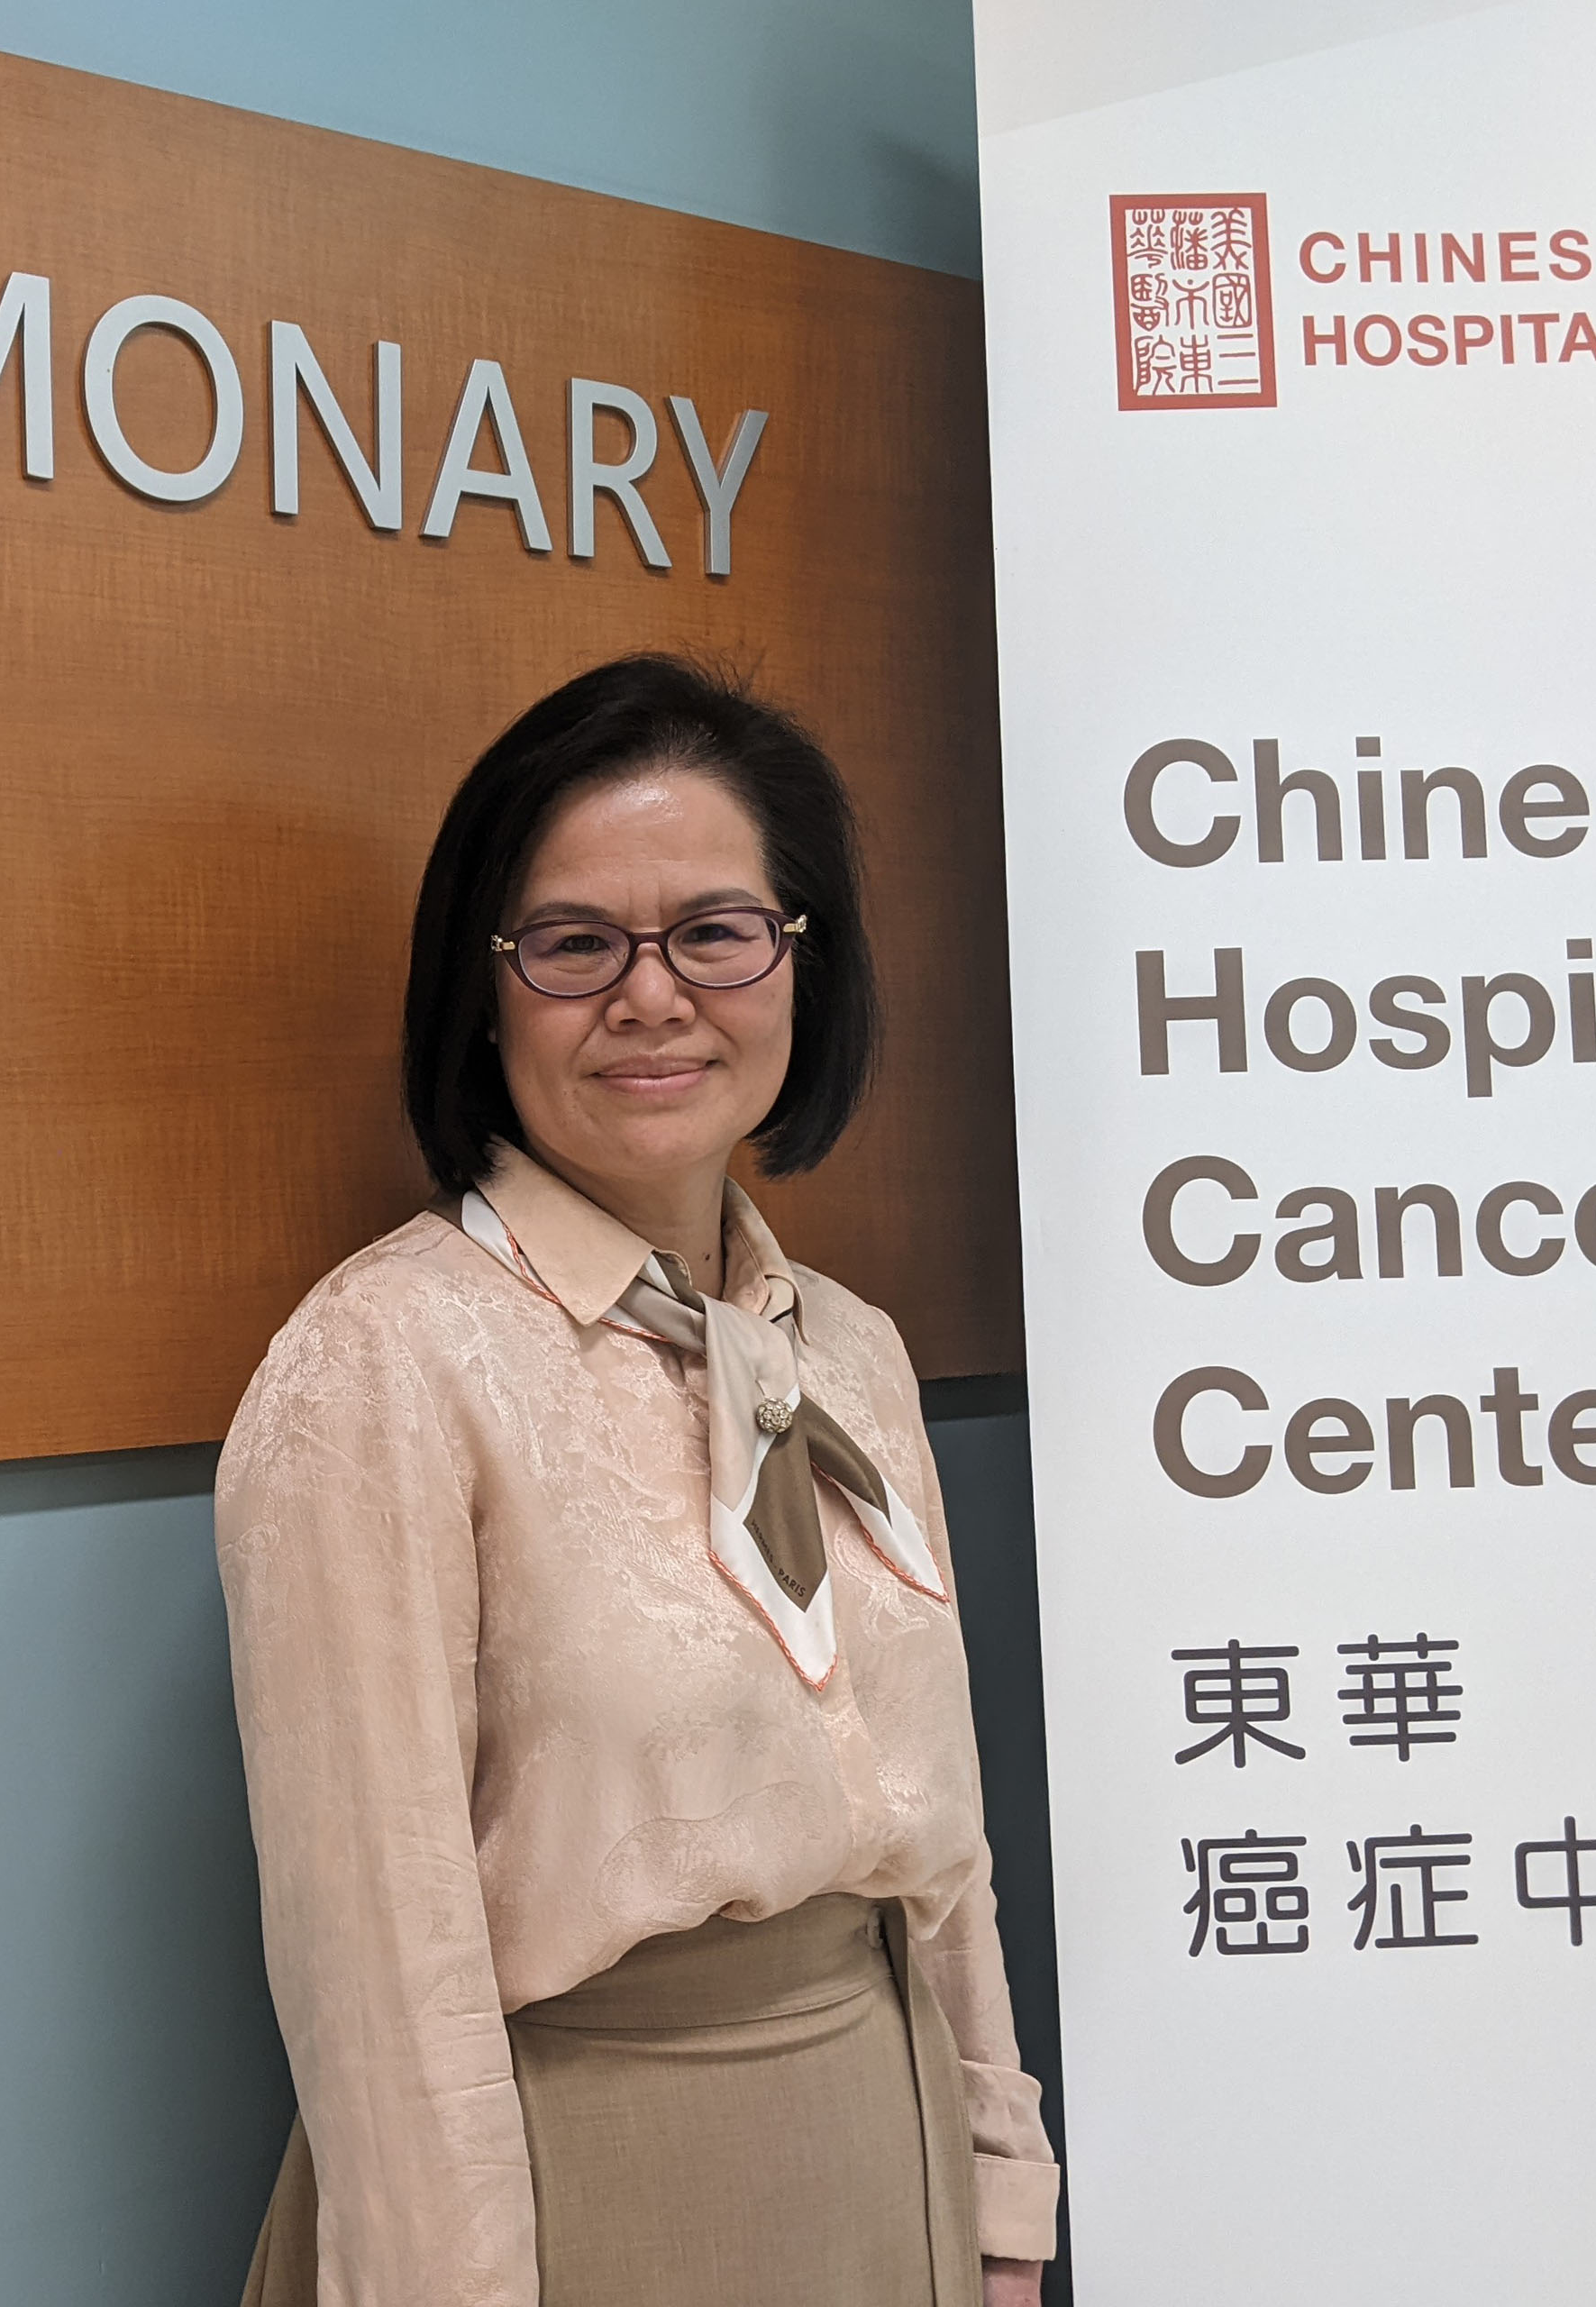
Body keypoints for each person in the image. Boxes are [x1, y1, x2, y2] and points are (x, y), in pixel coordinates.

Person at [216, 655, 1058, 2307]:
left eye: (717, 932)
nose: (654, 997)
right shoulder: (380, 1366)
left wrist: (1001, 2213)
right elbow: (379, 1980)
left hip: (885, 2181)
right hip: (583, 2202)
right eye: (576, 944)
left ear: (802, 962)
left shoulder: (854, 1354)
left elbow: (939, 1864)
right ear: (485, 989)